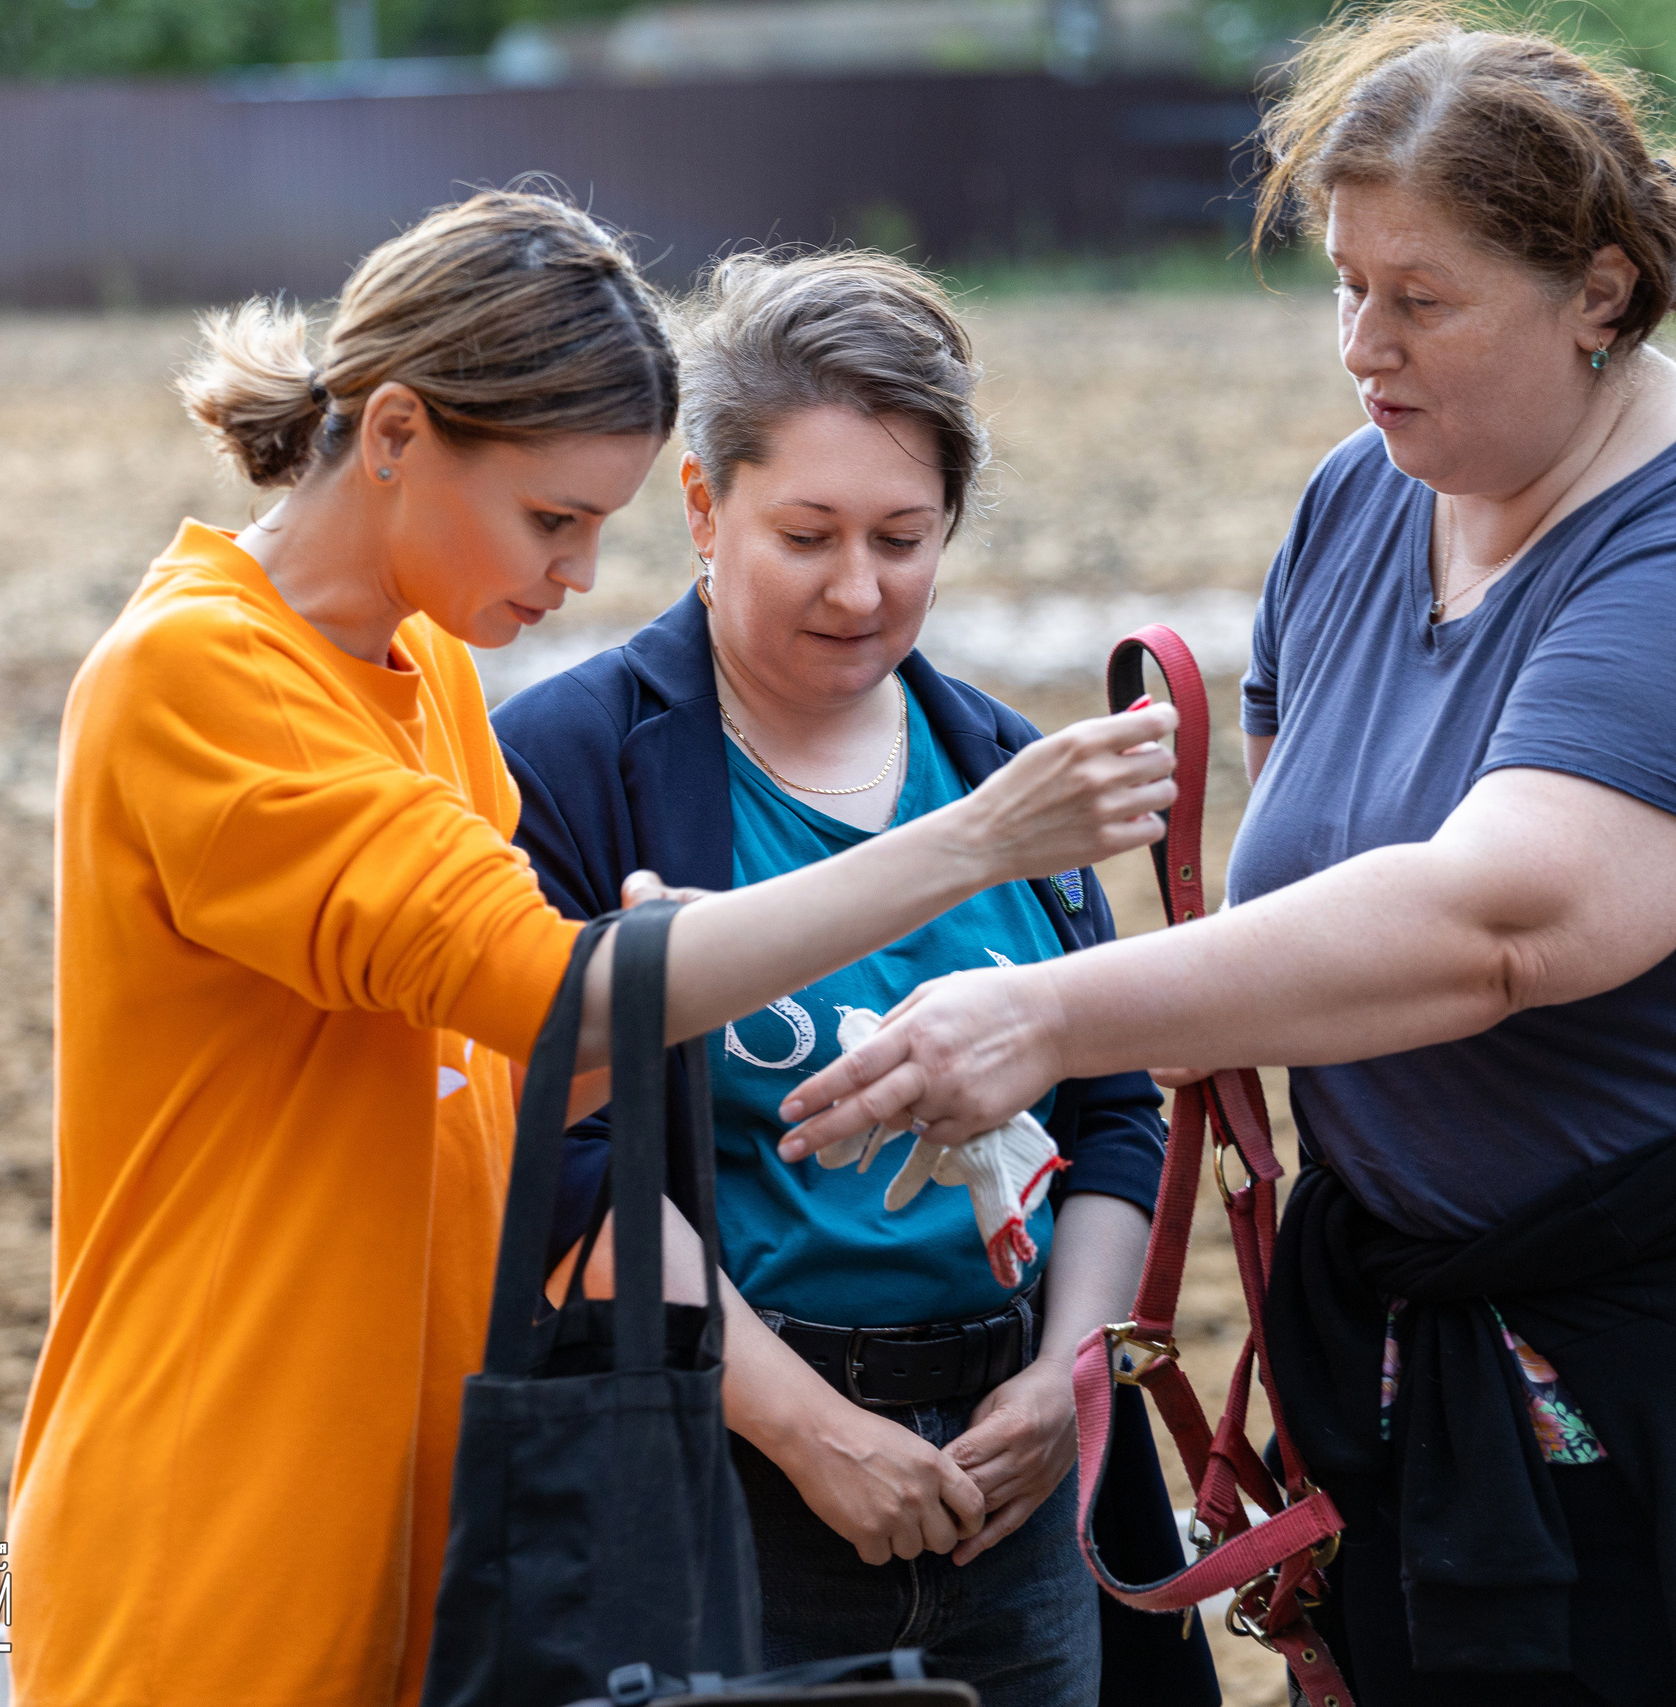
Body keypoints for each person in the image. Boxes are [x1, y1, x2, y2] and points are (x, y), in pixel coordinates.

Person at [773, 10, 1676, 1705]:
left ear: (1604, 296)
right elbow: (1321, 890)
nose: (1360, 343)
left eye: (1422, 299)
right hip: (1475, 1330)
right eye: (1346, 284)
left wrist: (1050, 1016)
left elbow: (1505, 923)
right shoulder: (1359, 505)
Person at [1, 190, 1179, 1707]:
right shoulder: (199, 675)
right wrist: (973, 844)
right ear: (399, 435)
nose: (574, 575)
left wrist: (682, 1000)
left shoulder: (417, 666)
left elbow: (517, 1089)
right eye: (552, 518)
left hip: (428, 1495)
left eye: (595, 527)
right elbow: (556, 1000)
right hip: (231, 1501)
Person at [492, 250, 1217, 1707]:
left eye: (905, 535)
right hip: (726, 1475)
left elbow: (1117, 1115)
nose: (861, 587)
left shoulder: (1013, 764)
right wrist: (811, 1431)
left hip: (1020, 1484)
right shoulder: (570, 764)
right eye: (807, 534)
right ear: (702, 508)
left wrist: (1064, 1384)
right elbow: (560, 1161)